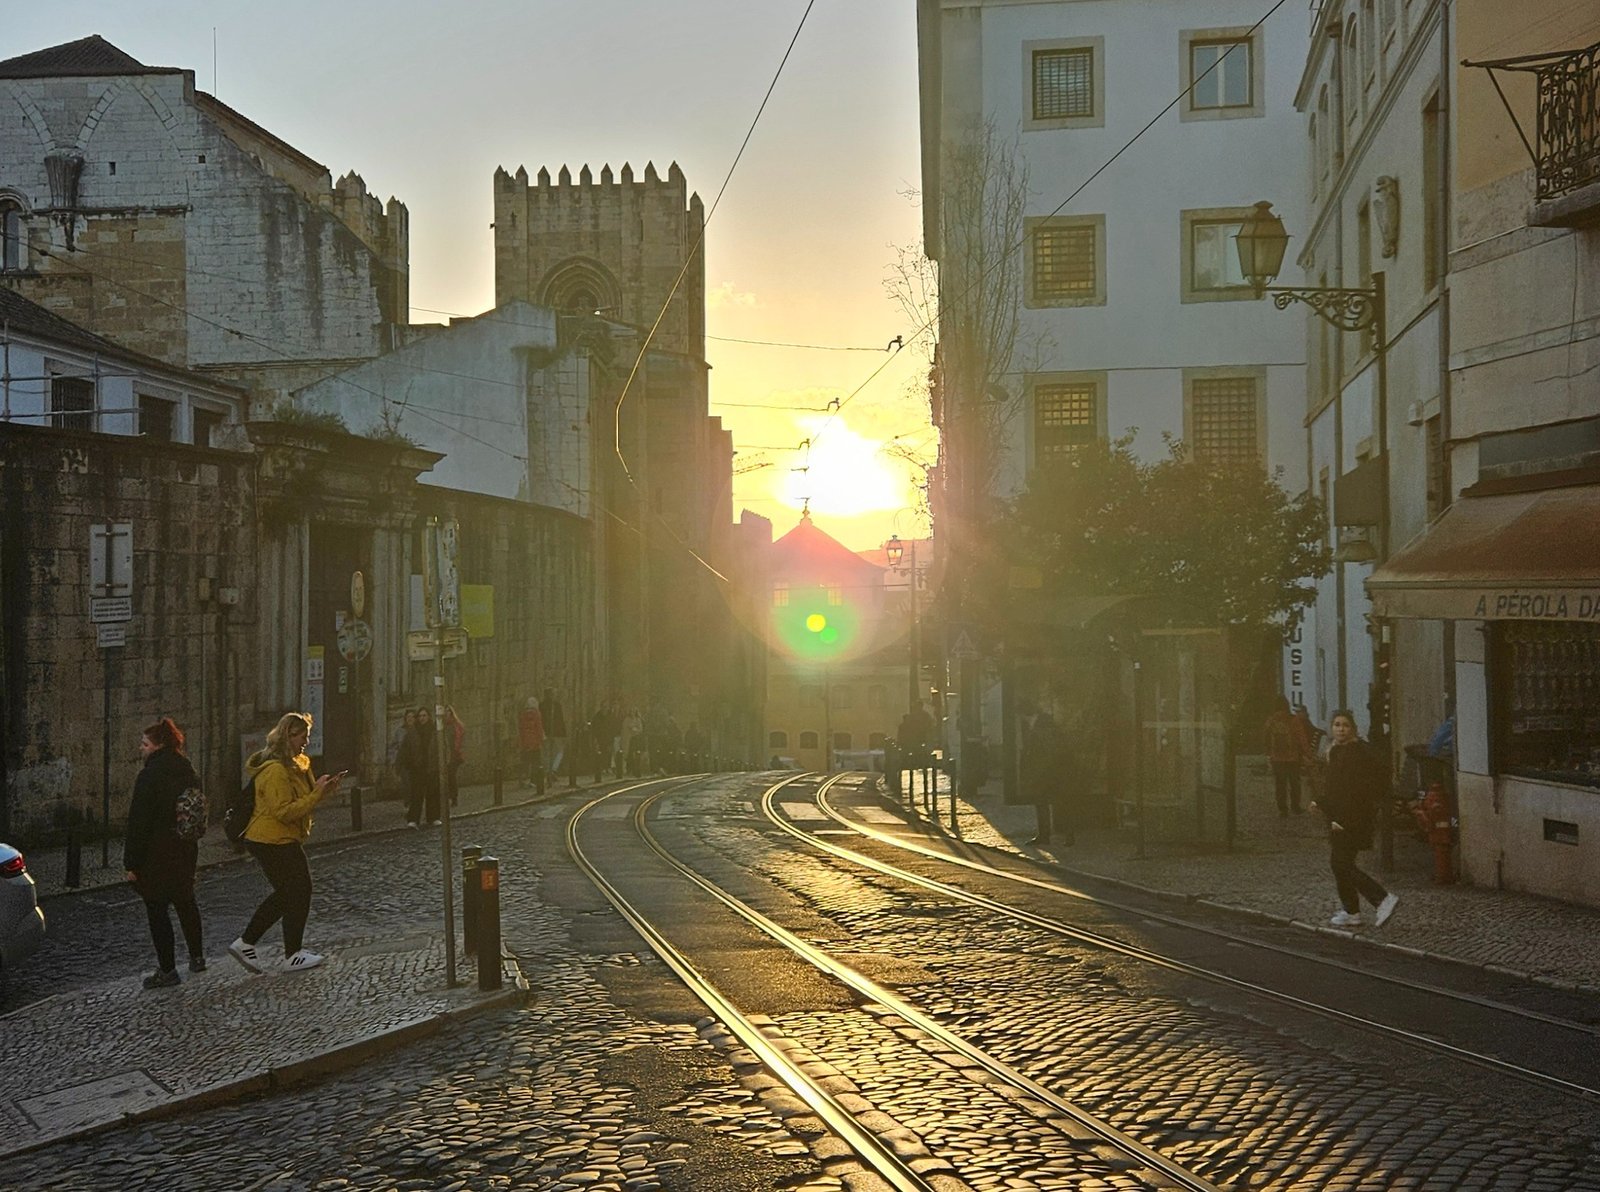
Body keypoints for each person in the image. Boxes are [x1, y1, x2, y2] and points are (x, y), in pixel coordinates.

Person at [230, 712, 342, 973]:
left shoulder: (295, 765)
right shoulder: (276, 770)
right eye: (302, 736)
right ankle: (282, 951)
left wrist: (323, 791)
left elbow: (302, 801)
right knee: (296, 891)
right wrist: (316, 795)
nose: (306, 741)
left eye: (307, 736)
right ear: (287, 736)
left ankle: (259, 946)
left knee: (291, 892)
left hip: (280, 838)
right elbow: (284, 811)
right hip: (272, 839)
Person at [124, 717, 205, 989]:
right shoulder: (187, 769)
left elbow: (139, 822)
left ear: (157, 746)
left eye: (145, 744)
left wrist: (132, 863)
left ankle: (168, 970)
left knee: (157, 911)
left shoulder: (149, 776)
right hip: (184, 849)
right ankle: (197, 956)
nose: (141, 748)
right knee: (186, 902)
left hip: (156, 855)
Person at [1310, 709, 1399, 929]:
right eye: (1337, 725)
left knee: (1341, 863)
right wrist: (1321, 802)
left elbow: (1350, 791)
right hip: (1342, 816)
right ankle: (1352, 913)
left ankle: (1382, 899)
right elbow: (1334, 788)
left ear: (1353, 729)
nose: (1341, 729)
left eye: (1345, 725)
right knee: (1340, 864)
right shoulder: (1338, 751)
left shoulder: (1353, 753)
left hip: (1350, 818)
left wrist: (1339, 817)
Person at [1020, 705, 1072, 846]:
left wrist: (1039, 770)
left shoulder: (1042, 726)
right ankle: (1059, 835)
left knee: (1047, 803)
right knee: (1052, 803)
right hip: (1050, 772)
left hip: (1048, 773)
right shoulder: (1044, 723)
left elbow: (1047, 751)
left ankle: (1051, 835)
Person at [1264, 697, 1310, 816]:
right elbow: (1302, 738)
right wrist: (1308, 753)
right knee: (1294, 783)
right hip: (1292, 757)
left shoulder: (1271, 720)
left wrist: (1269, 753)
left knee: (1280, 784)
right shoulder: (1293, 720)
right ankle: (1295, 806)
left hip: (1277, 757)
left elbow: (1266, 737)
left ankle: (1283, 809)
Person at [404, 706, 442, 826]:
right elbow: (406, 749)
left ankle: (433, 817)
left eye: (424, 715)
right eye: (420, 716)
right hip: (417, 768)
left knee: (432, 793)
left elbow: (442, 747)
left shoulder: (435, 731)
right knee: (416, 795)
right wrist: (409, 764)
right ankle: (413, 819)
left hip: (431, 766)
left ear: (429, 717)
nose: (422, 718)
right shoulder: (412, 732)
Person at [518, 696, 546, 795]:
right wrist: (542, 739)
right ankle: (534, 781)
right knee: (536, 763)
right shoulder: (537, 714)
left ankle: (523, 780)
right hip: (535, 743)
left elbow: (521, 729)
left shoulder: (523, 715)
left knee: (525, 762)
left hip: (525, 742)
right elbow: (539, 727)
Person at [541, 688, 567, 781]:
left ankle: (550, 771)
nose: (554, 696)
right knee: (558, 752)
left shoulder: (543, 705)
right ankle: (552, 771)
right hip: (554, 733)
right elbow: (560, 720)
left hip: (549, 732)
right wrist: (564, 733)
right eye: (553, 694)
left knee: (549, 753)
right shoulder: (555, 705)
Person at [442, 706, 466, 806]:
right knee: (446, 776)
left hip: (454, 754)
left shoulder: (456, 725)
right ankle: (448, 796)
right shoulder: (442, 726)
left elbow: (460, 739)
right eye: (445, 712)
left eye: (449, 712)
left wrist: (458, 751)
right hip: (445, 753)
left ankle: (454, 797)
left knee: (451, 775)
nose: (447, 714)